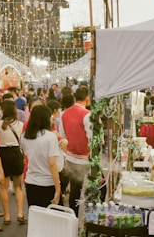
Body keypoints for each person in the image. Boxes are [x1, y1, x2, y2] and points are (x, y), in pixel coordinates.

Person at [59, 86, 92, 216]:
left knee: (74, 189)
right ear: (87, 98)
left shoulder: (65, 113)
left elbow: (63, 136)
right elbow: (92, 138)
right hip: (84, 158)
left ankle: (73, 218)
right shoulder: (87, 115)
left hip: (70, 157)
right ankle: (85, 218)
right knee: (90, 188)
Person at [20, 105, 61, 208]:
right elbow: (52, 164)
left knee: (36, 217)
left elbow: (26, 156)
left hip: (31, 181)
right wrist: (58, 188)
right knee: (52, 219)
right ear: (46, 119)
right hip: (48, 183)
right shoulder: (51, 137)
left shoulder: (24, 136)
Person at [0, 100, 26, 226]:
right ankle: (20, 213)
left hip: (3, 155)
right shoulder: (20, 124)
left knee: (4, 187)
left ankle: (7, 215)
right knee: (18, 186)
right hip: (16, 153)